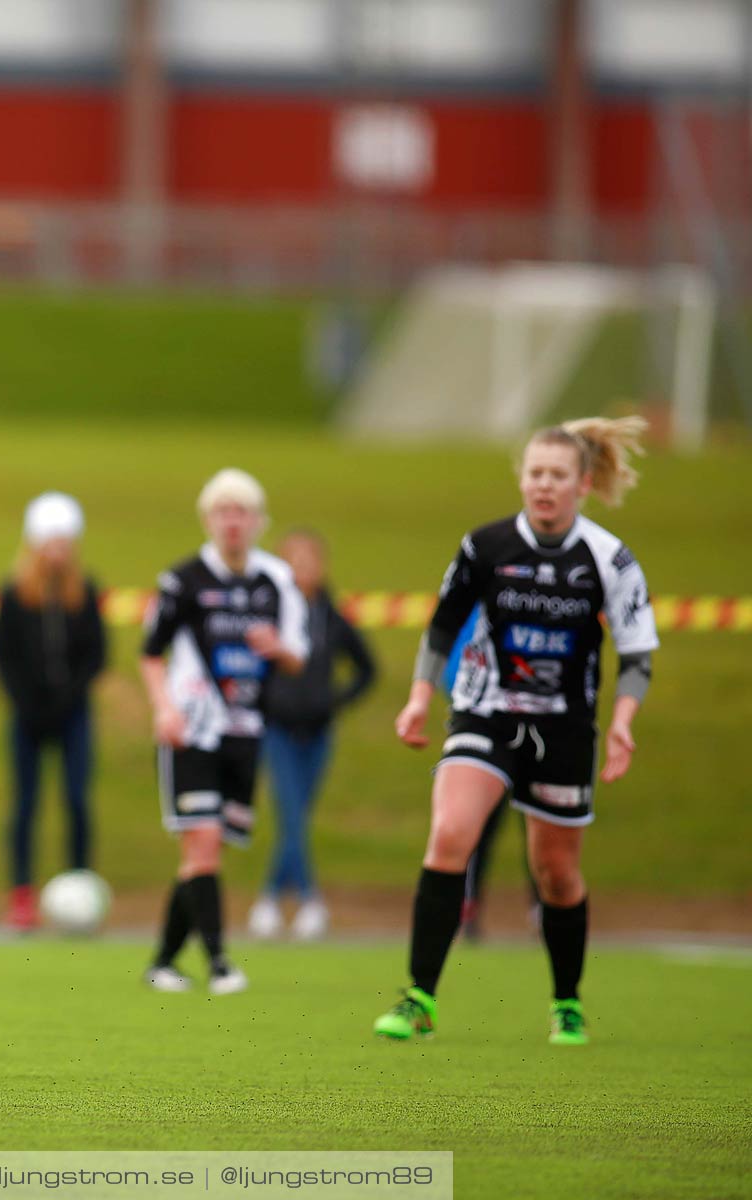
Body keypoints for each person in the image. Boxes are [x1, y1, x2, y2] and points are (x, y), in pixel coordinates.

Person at [376, 417, 657, 1046]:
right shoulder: (486, 547)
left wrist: (622, 725)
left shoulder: (608, 559)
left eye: (558, 475)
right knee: (450, 832)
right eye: (535, 474)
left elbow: (637, 654)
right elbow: (442, 626)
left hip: (563, 729)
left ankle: (567, 1001)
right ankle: (420, 997)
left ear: (583, 483)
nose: (545, 486)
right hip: (487, 710)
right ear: (521, 479)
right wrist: (420, 697)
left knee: (555, 873)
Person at [141, 468, 307, 995]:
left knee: (202, 856)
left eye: (242, 513)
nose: (232, 523)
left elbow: (298, 657)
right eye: (222, 512)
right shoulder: (184, 580)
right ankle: (219, 963)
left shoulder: (276, 580)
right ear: (208, 520)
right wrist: (165, 708)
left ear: (258, 521)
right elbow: (149, 653)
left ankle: (163, 961)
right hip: (191, 731)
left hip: (245, 733)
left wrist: (277, 649)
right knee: (204, 845)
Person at [246, 529, 376, 941]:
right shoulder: (268, 614)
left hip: (318, 731)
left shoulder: (331, 617)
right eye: (292, 563)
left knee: (297, 817)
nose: (302, 571)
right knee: (292, 814)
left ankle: (269, 898)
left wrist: (334, 701)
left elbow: (365, 669)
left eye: (309, 562)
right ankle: (307, 900)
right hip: (279, 730)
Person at [0, 491, 106, 930]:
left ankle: (81, 885)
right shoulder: (16, 594)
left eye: (64, 543)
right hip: (28, 716)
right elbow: (3, 656)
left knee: (77, 800)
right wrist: (28, 702)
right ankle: (21, 895)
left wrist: (69, 698)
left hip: (73, 714)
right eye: (49, 543)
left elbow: (96, 655)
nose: (57, 552)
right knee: (25, 805)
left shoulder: (85, 592)